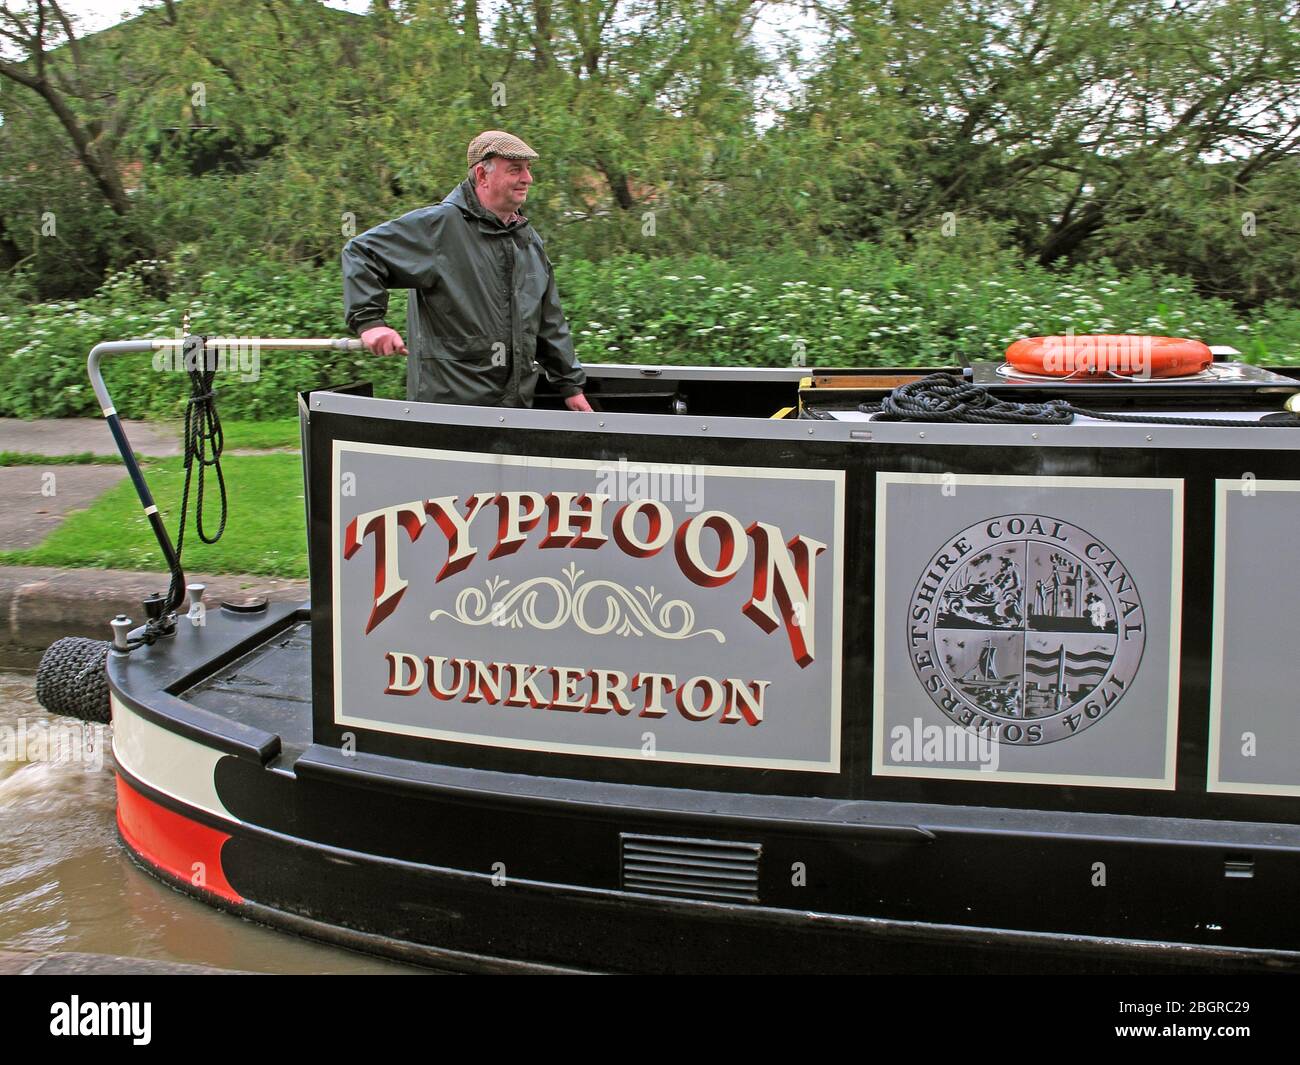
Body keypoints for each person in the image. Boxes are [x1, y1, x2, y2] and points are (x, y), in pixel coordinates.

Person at [341, 130, 592, 411]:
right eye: (515, 170)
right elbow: (362, 253)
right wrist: (371, 324)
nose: (527, 178)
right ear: (482, 176)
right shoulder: (440, 228)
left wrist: (570, 386)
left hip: (516, 412)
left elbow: (549, 321)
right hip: (451, 414)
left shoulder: (528, 239)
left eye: (528, 169)